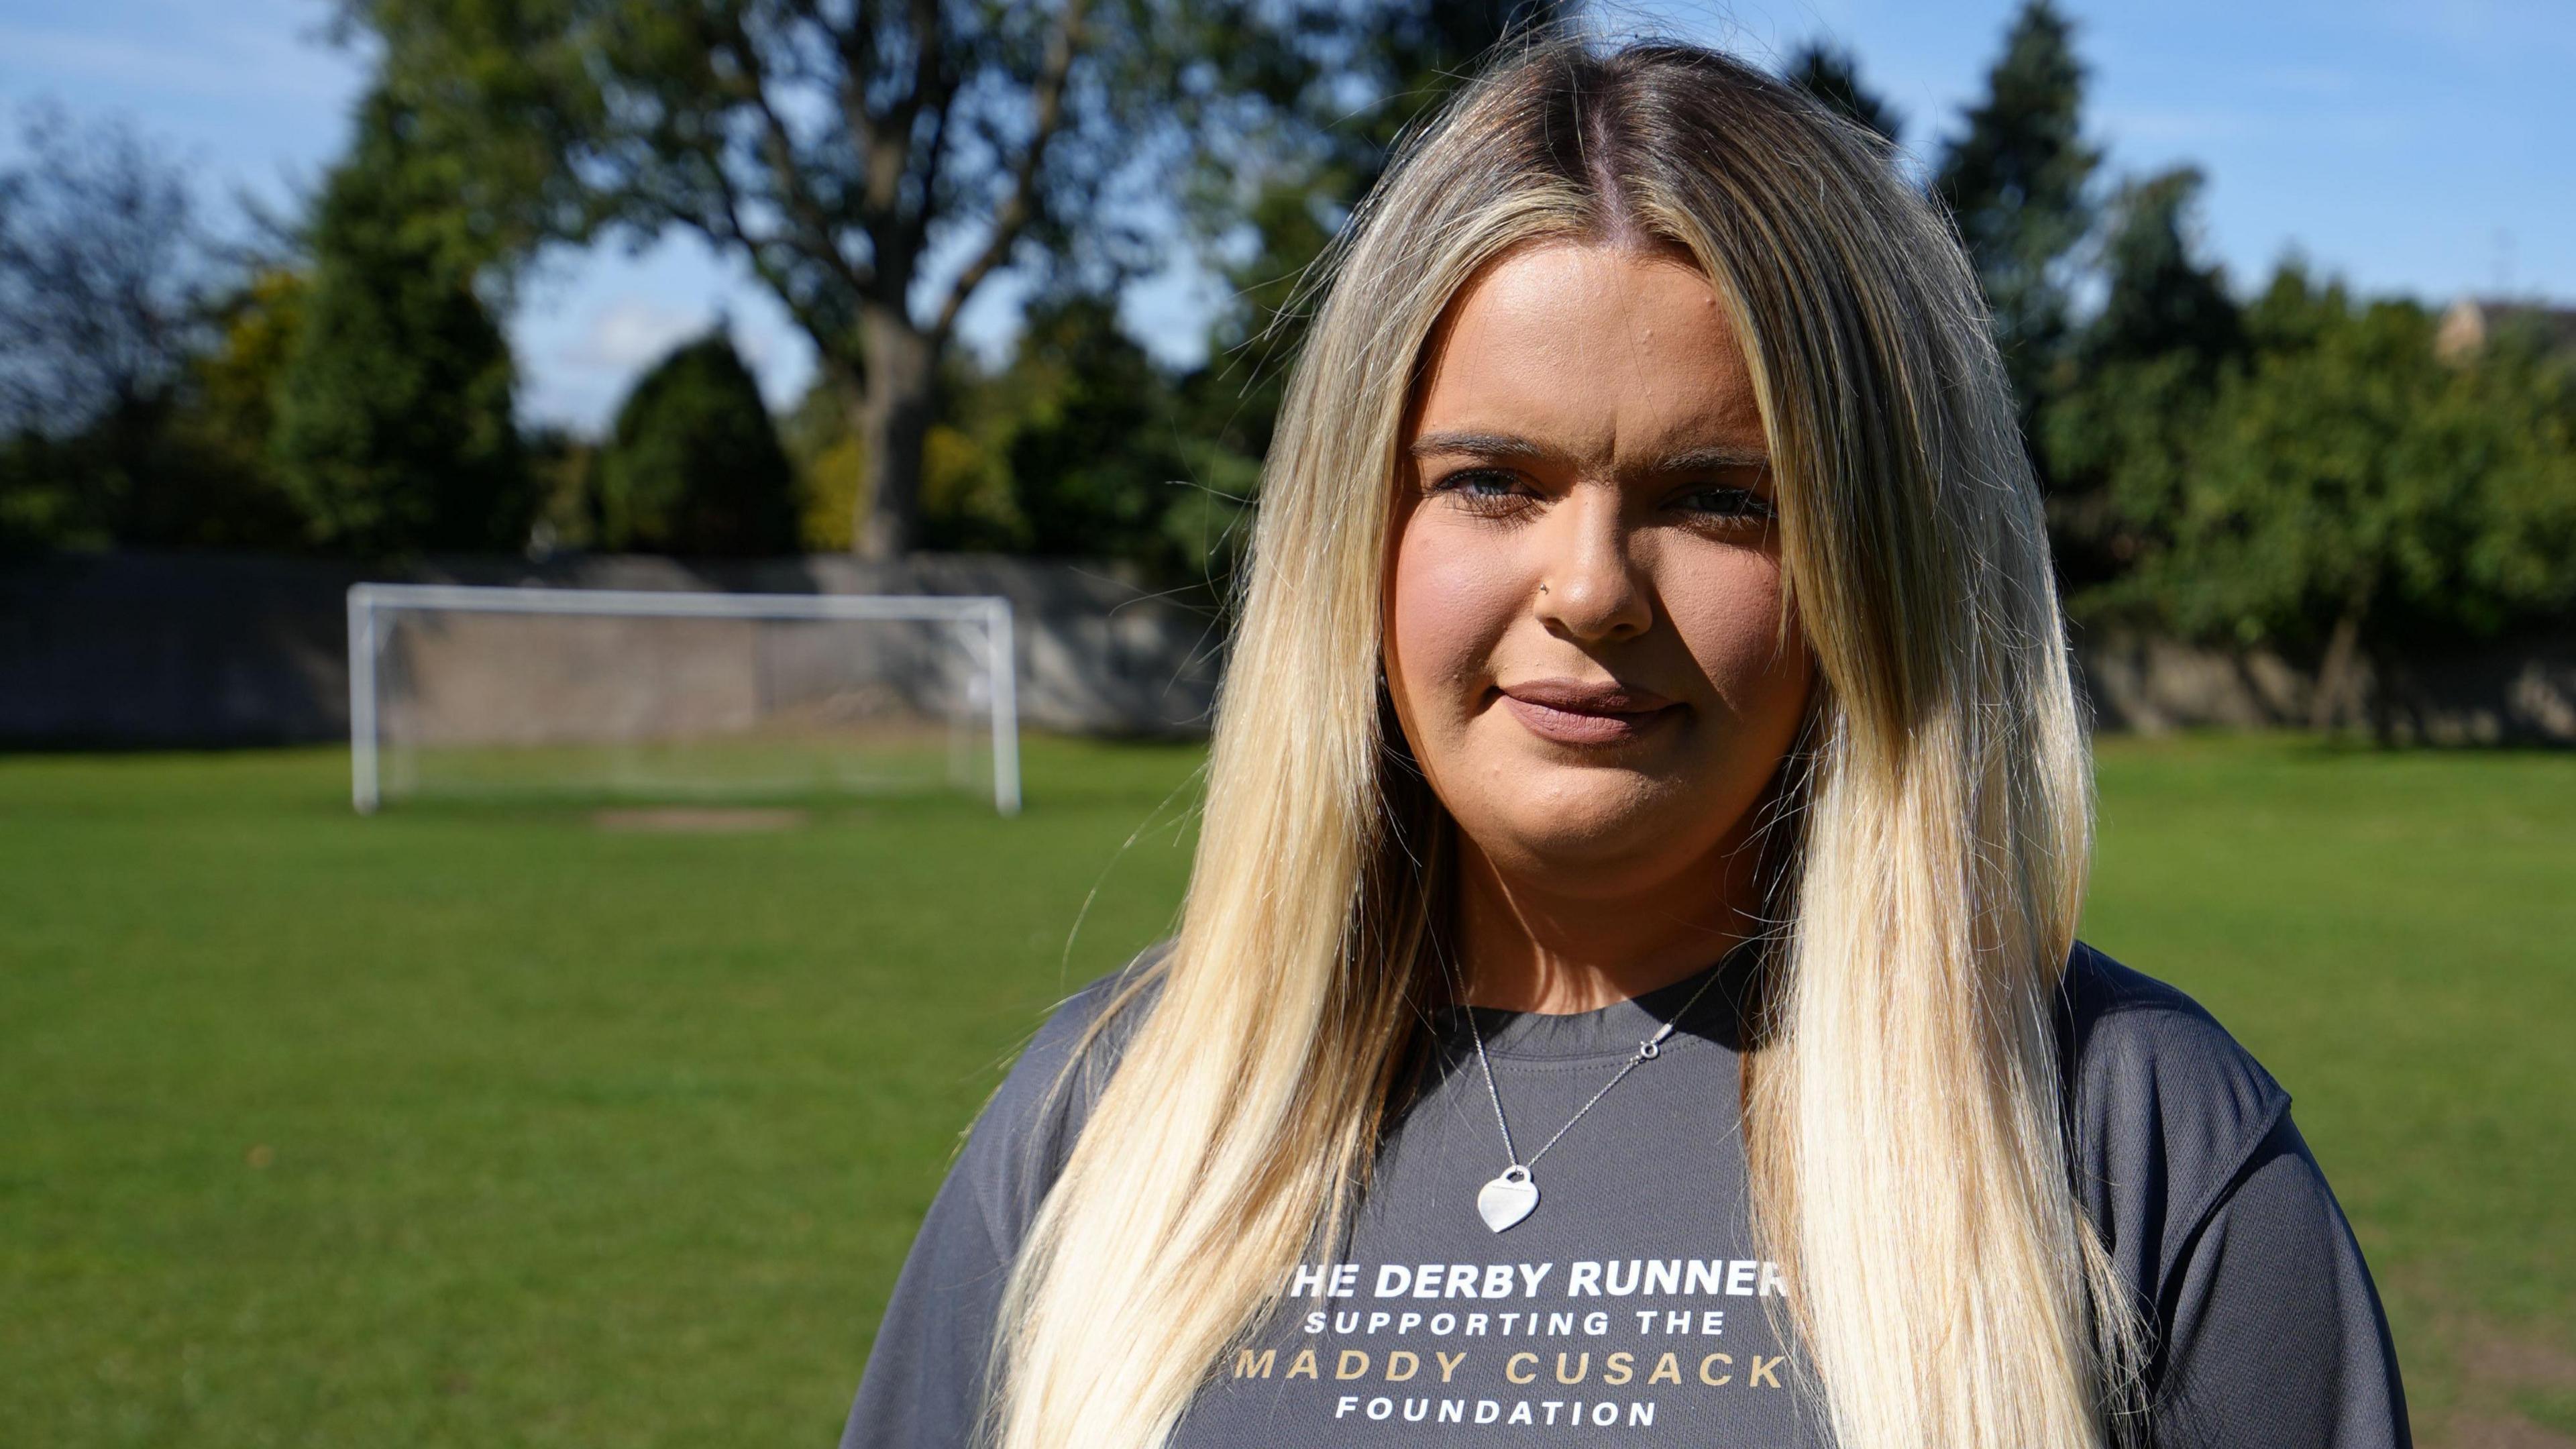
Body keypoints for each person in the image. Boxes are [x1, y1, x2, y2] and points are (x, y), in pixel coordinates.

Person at [837, 36, 2409, 1449]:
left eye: (1721, 498)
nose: (1589, 589)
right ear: (1358, 534)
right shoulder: (1104, 1119)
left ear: (1883, 569)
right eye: (1492, 481)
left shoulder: (2132, 1137)